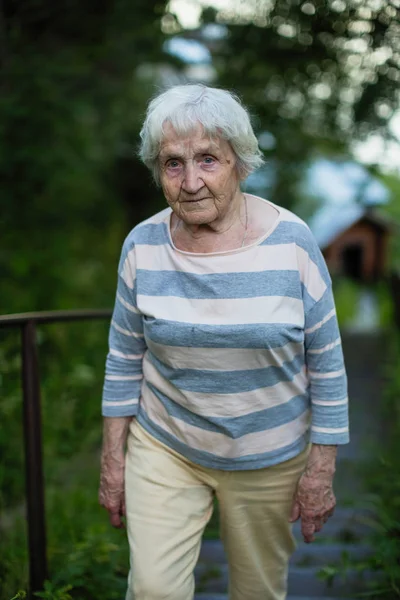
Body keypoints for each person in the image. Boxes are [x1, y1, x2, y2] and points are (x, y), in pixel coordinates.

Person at [99, 84, 349, 600]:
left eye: (208, 160)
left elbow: (327, 363)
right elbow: (124, 357)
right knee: (152, 590)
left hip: (270, 454)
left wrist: (320, 468)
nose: (191, 182)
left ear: (239, 162)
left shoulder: (293, 242)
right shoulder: (142, 246)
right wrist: (113, 459)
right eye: (173, 164)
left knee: (258, 591)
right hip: (168, 445)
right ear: (157, 171)